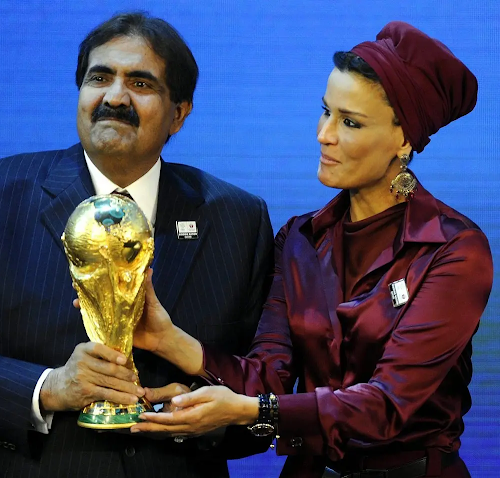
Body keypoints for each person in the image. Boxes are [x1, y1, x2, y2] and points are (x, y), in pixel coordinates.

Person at [128, 22, 493, 478]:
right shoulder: (299, 237)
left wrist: (248, 411)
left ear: (404, 140)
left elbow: (387, 404)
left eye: (350, 122)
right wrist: (170, 340)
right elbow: (269, 377)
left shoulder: (455, 249)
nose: (324, 134)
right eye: (325, 112)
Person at [0, 12, 273, 478]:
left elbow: (266, 395)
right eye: (99, 78)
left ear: (179, 113)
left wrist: (207, 417)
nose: (114, 97)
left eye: (140, 84)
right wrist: (46, 388)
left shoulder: (237, 219)